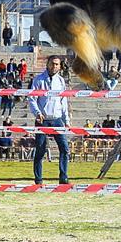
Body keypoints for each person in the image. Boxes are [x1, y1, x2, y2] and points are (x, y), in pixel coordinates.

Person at [27, 55, 70, 184]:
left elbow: (64, 101)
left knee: (64, 148)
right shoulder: (38, 80)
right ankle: (38, 179)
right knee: (40, 150)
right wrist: (37, 113)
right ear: (47, 64)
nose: (54, 66)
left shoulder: (61, 81)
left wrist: (66, 120)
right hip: (43, 119)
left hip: (57, 120)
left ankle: (63, 177)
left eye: (57, 64)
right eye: (52, 63)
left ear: (60, 66)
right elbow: (32, 98)